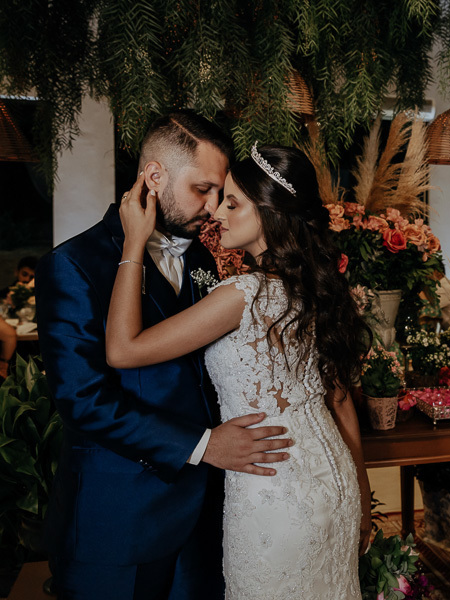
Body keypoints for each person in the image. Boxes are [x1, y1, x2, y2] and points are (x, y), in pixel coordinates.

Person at [36, 111, 292, 600]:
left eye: (220, 193)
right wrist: (203, 445)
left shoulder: (201, 260)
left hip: (206, 516)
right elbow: (83, 398)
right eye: (203, 189)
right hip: (118, 525)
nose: (213, 206)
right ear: (155, 176)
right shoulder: (72, 265)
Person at [106, 142, 372, 598]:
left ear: (270, 212)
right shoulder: (314, 289)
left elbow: (123, 350)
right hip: (334, 481)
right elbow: (339, 397)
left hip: (273, 491)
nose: (217, 214)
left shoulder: (241, 295)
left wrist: (133, 243)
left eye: (232, 203)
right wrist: (362, 495)